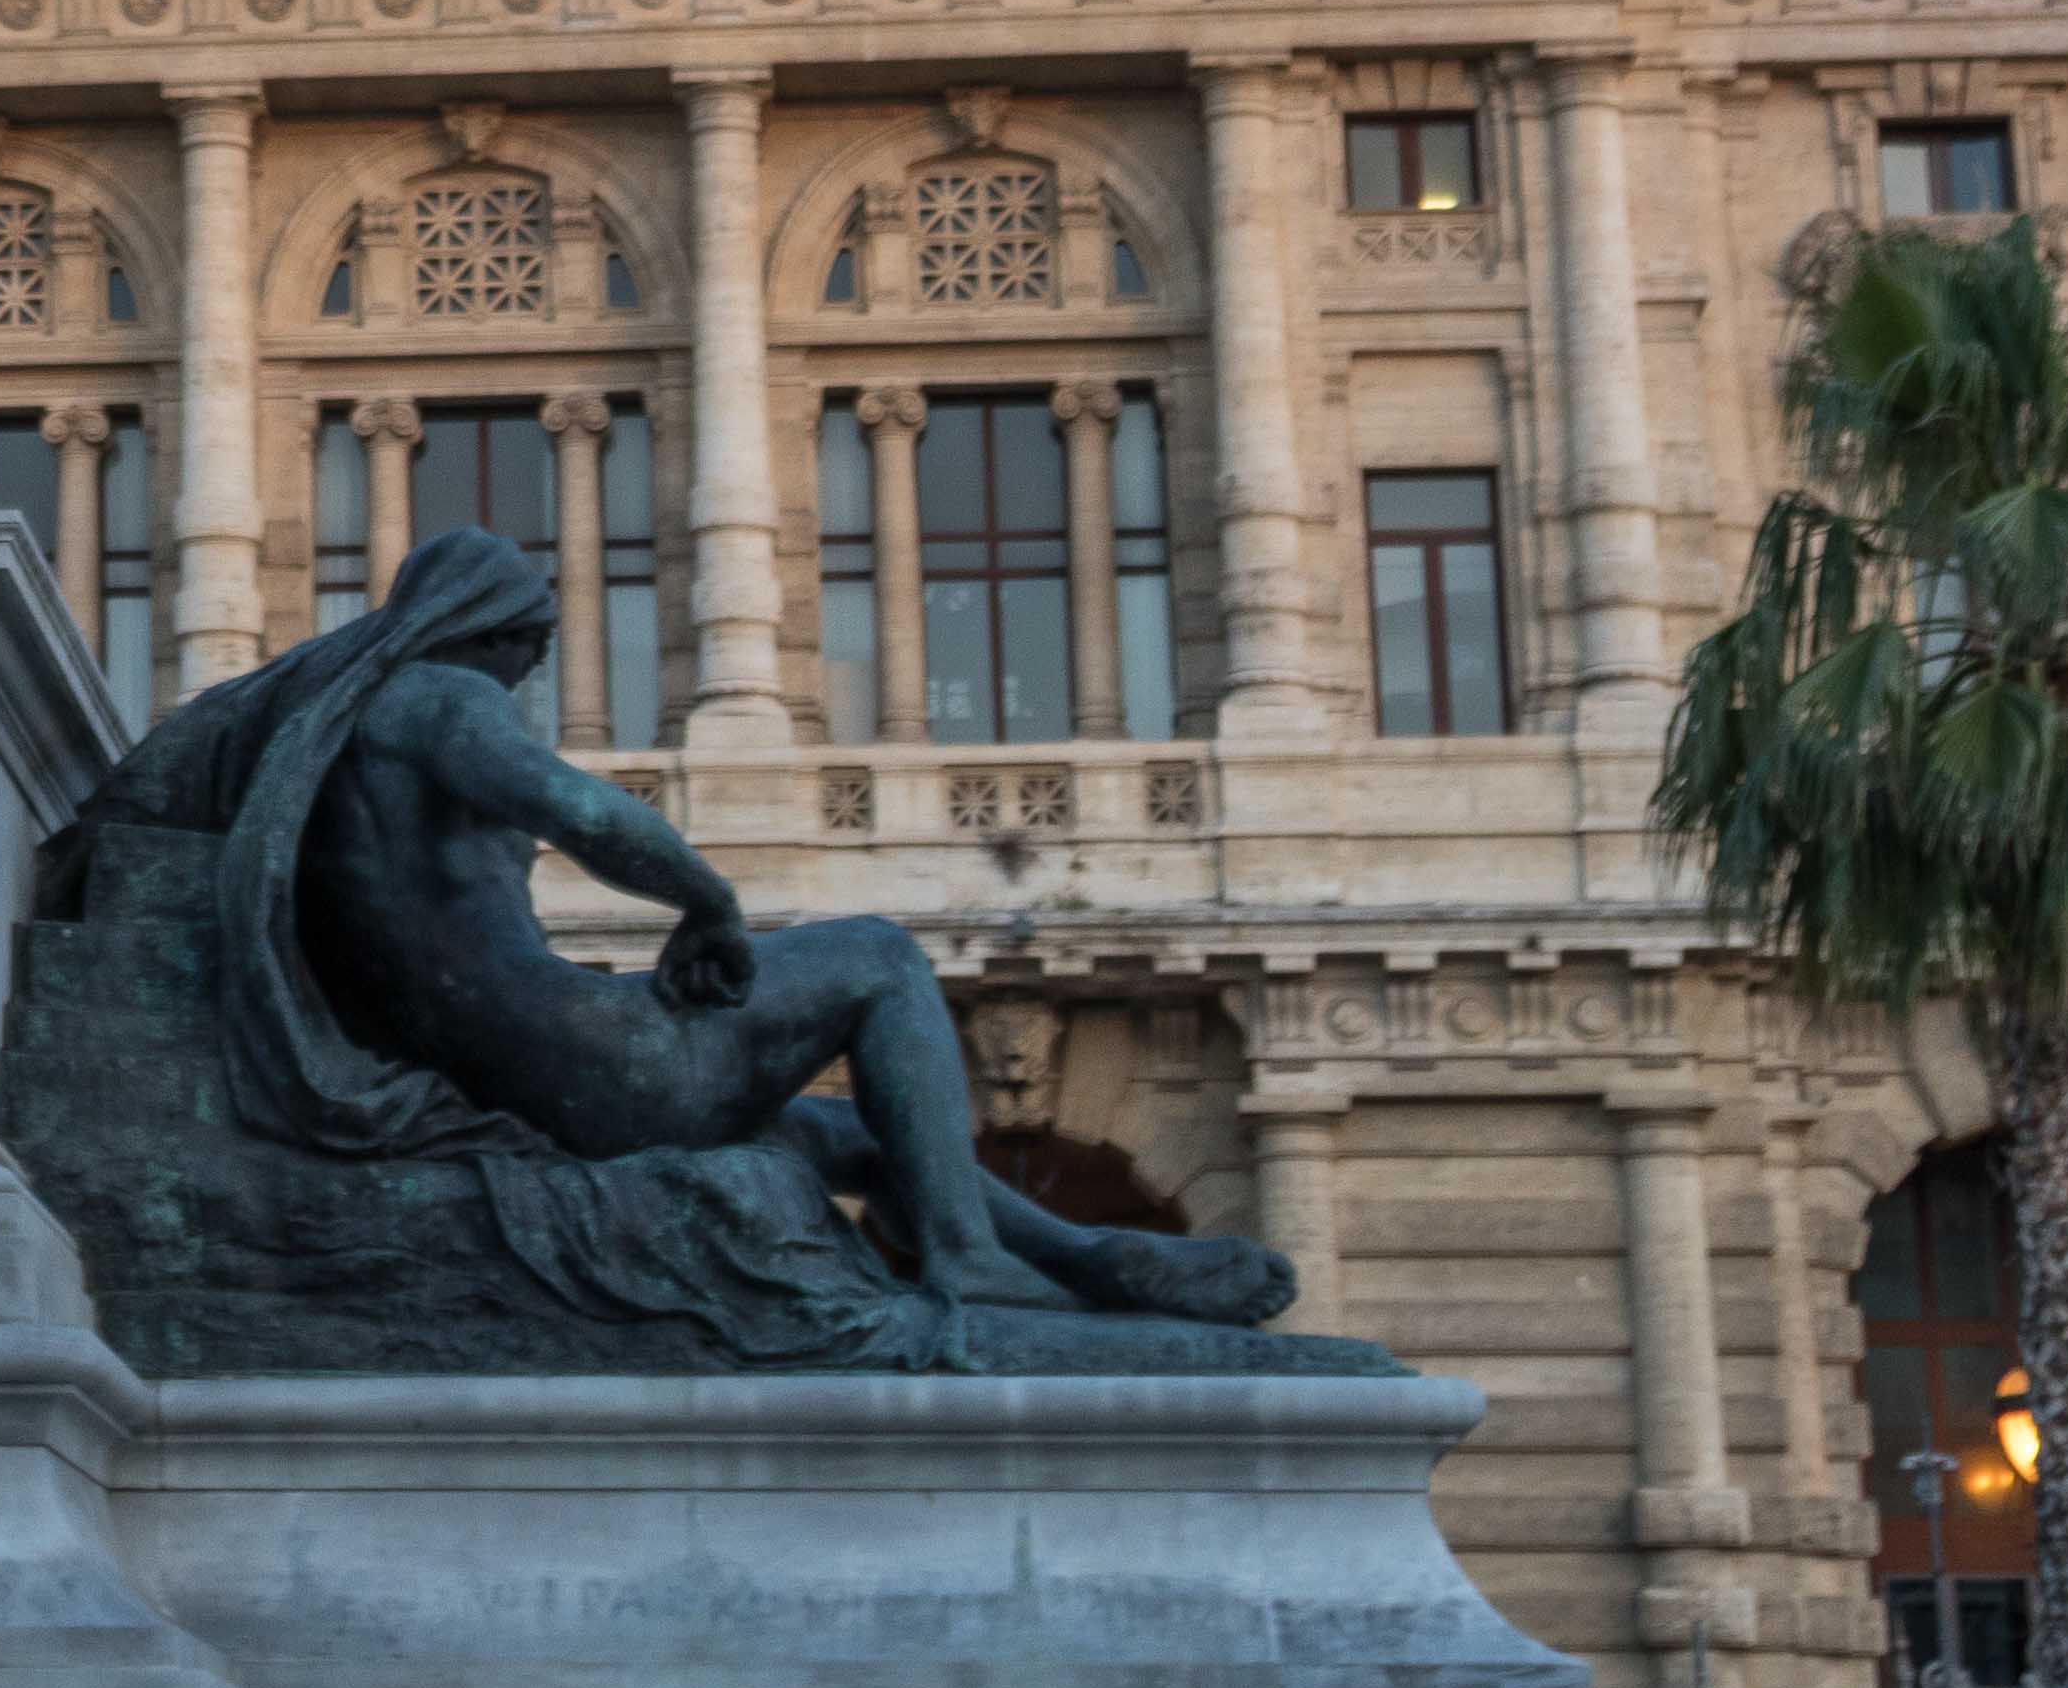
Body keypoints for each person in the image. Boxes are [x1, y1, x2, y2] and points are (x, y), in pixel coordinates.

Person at [85, 525, 1282, 1327]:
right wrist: (705, 900)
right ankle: (966, 1257)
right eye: (530, 643)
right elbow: (581, 810)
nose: (532, 668)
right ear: (489, 629)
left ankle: (1077, 1258)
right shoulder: (437, 698)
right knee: (875, 956)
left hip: (507, 1067)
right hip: (581, 1066)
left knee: (829, 1134)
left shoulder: (328, 742)